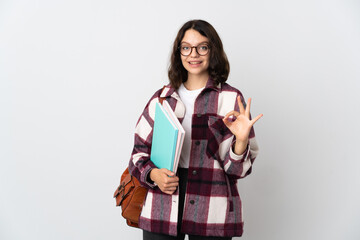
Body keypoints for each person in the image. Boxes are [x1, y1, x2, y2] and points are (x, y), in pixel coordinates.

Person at [128, 19, 263, 240]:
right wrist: (153, 175)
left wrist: (240, 141)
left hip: (212, 202)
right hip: (163, 200)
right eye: (186, 47)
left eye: (202, 47)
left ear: (213, 51)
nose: (194, 54)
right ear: (179, 52)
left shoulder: (231, 100)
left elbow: (237, 172)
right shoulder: (162, 98)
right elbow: (138, 154)